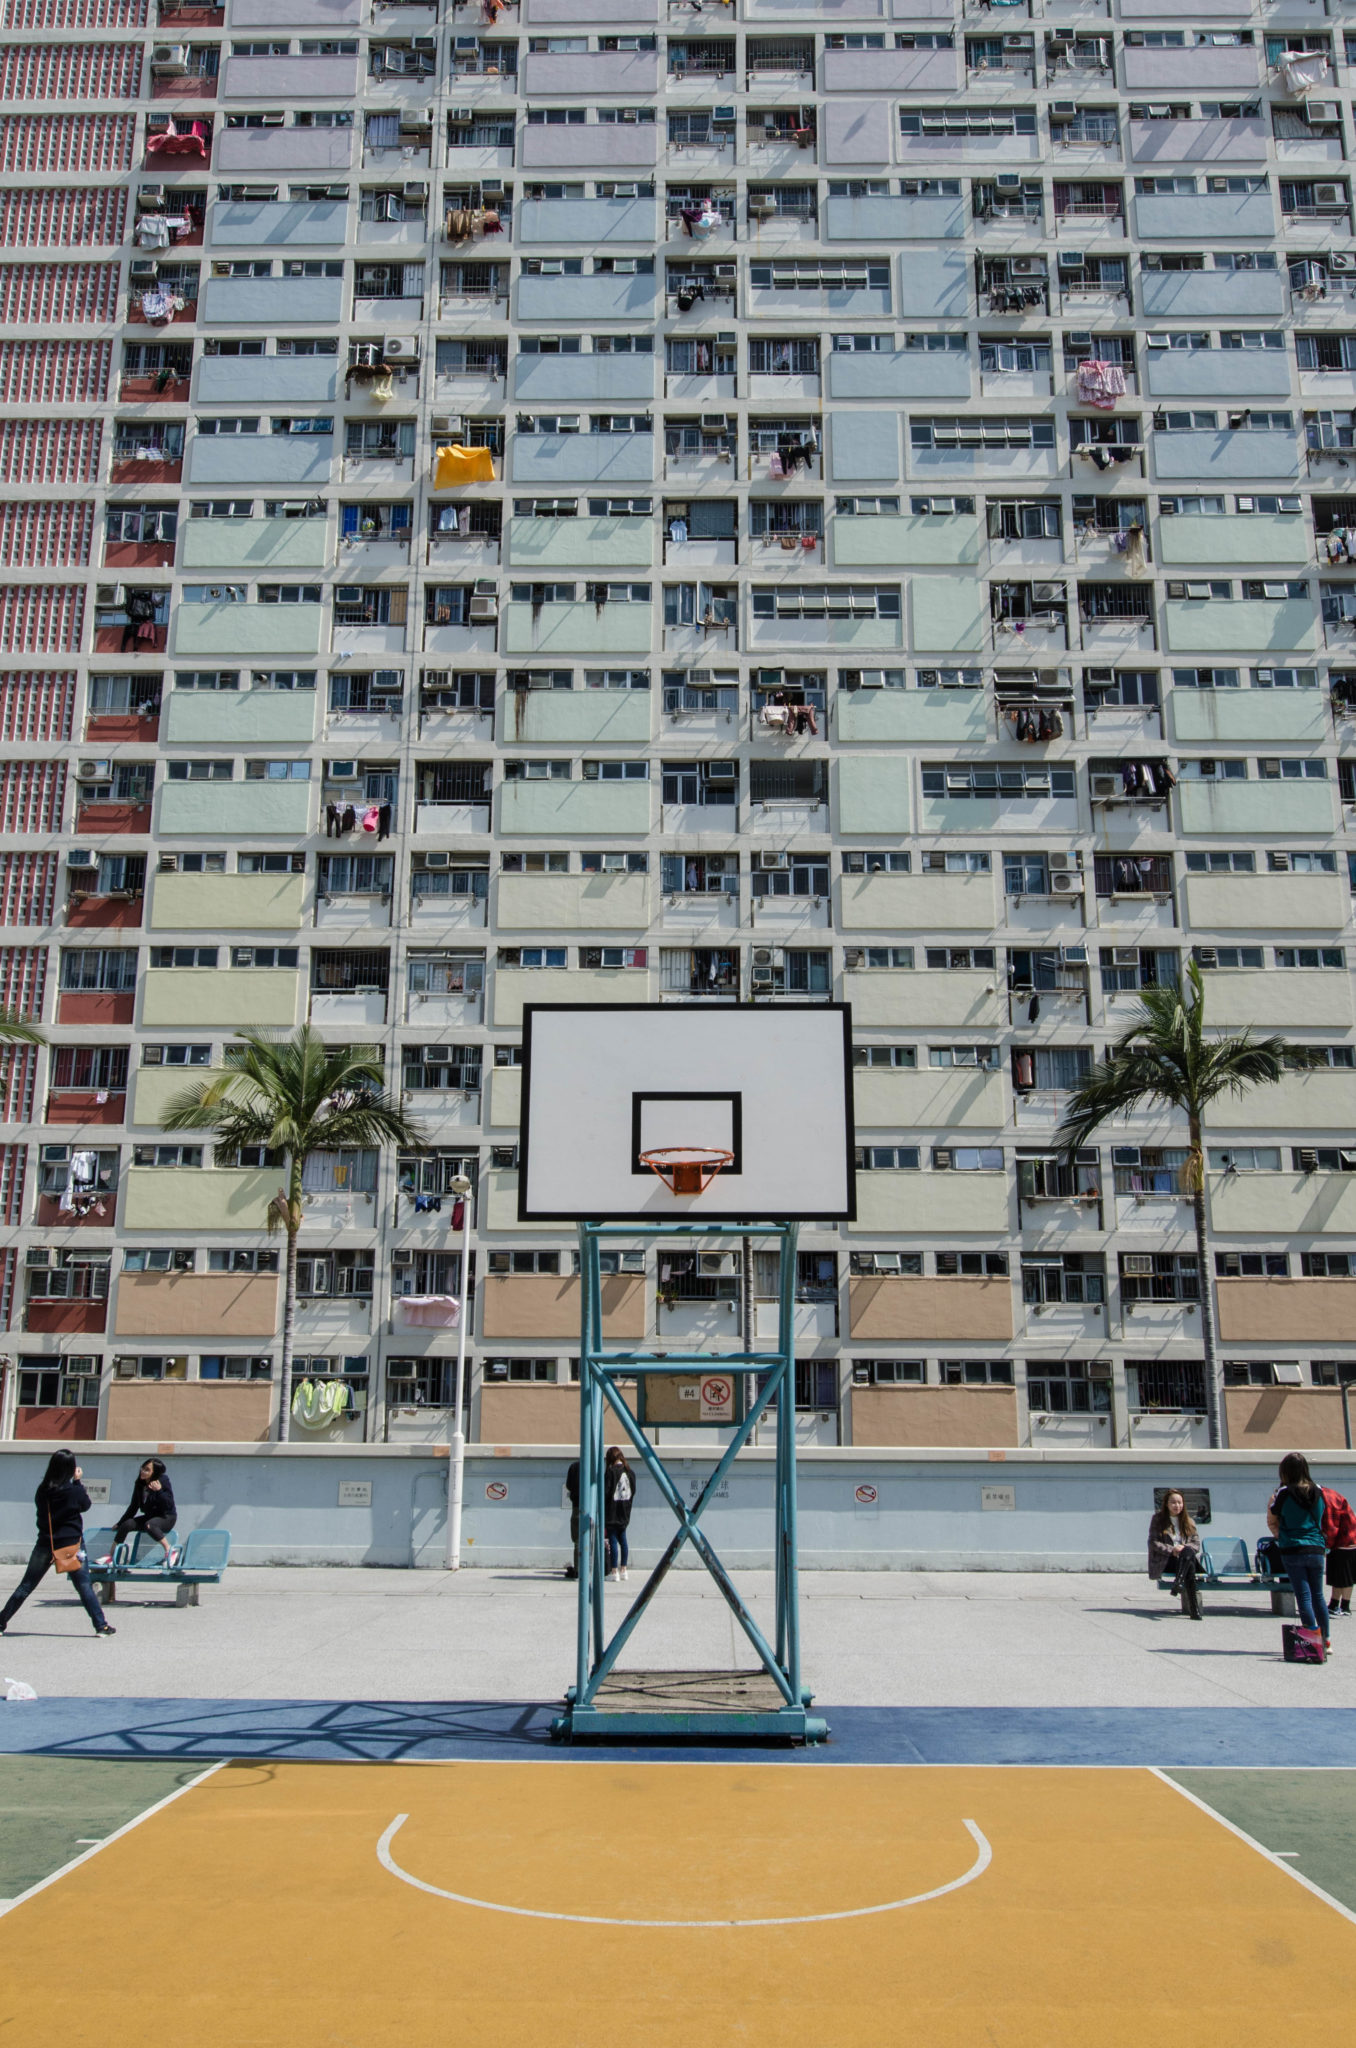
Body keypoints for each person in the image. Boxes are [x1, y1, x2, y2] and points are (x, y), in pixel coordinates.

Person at [0, 1449, 115, 1637]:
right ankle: (100, 1626)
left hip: (46, 1542)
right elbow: (85, 1505)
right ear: (71, 1468)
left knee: (26, 1586)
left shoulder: (43, 1489)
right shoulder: (73, 1490)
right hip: (71, 1545)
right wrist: (77, 1481)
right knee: (83, 1585)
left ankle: (1, 1622)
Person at [1267, 1452, 1331, 1656]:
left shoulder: (1284, 1492)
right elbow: (1323, 1515)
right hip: (1316, 1547)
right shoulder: (1319, 1490)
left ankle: (1312, 1641)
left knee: (1303, 1596)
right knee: (1318, 1596)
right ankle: (1326, 1640)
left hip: (1293, 1547)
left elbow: (1275, 1513)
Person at [106, 1457, 178, 1567]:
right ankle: (111, 1556)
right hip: (150, 1517)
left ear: (155, 1472)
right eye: (143, 1468)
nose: (143, 1471)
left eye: (147, 1470)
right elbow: (133, 1506)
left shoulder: (162, 1481)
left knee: (149, 1525)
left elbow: (168, 1504)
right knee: (127, 1524)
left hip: (167, 1517)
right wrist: (120, 1523)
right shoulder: (140, 1484)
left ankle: (170, 1551)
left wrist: (159, 1491)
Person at [1148, 1489, 1203, 1620]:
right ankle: (1194, 1610)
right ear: (1166, 1504)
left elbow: (1196, 1544)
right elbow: (1153, 1542)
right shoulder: (1158, 1520)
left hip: (1185, 1559)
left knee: (1188, 1552)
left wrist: (1184, 1548)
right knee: (1189, 1564)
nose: (1177, 1505)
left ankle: (1178, 1582)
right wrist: (1172, 1549)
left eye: (1179, 1502)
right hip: (1168, 1560)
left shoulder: (1189, 1521)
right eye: (1173, 1502)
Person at [1322, 1482, 1356, 1620]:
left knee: (1346, 1576)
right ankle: (1334, 1604)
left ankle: (1345, 1607)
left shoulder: (1327, 1498)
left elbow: (1331, 1526)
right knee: (1337, 1575)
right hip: (1340, 1541)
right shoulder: (1327, 1495)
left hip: (1347, 1540)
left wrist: (1326, 1546)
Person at [603, 1445, 636, 1583]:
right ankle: (624, 1570)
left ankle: (614, 1571)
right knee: (623, 1539)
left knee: (613, 1540)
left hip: (612, 1512)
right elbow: (633, 1491)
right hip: (625, 1511)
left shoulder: (610, 1472)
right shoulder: (630, 1472)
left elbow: (606, 1492)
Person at [563, 1458, 580, 1580]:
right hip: (593, 1507)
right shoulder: (595, 1466)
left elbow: (568, 1485)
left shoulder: (574, 1467)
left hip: (577, 1506)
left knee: (578, 1541)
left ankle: (579, 1569)